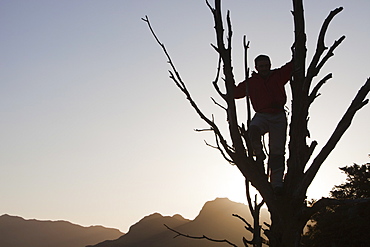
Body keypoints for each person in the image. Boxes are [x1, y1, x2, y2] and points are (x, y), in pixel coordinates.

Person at [235, 54, 293, 195]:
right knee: (253, 131)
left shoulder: (278, 75)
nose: (264, 68)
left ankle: (276, 183)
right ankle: (259, 154)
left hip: (278, 115)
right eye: (261, 66)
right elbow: (236, 93)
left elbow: (292, 66)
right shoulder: (251, 82)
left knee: (277, 151)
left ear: (270, 65)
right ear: (256, 67)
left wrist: (297, 51)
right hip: (262, 115)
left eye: (266, 65)